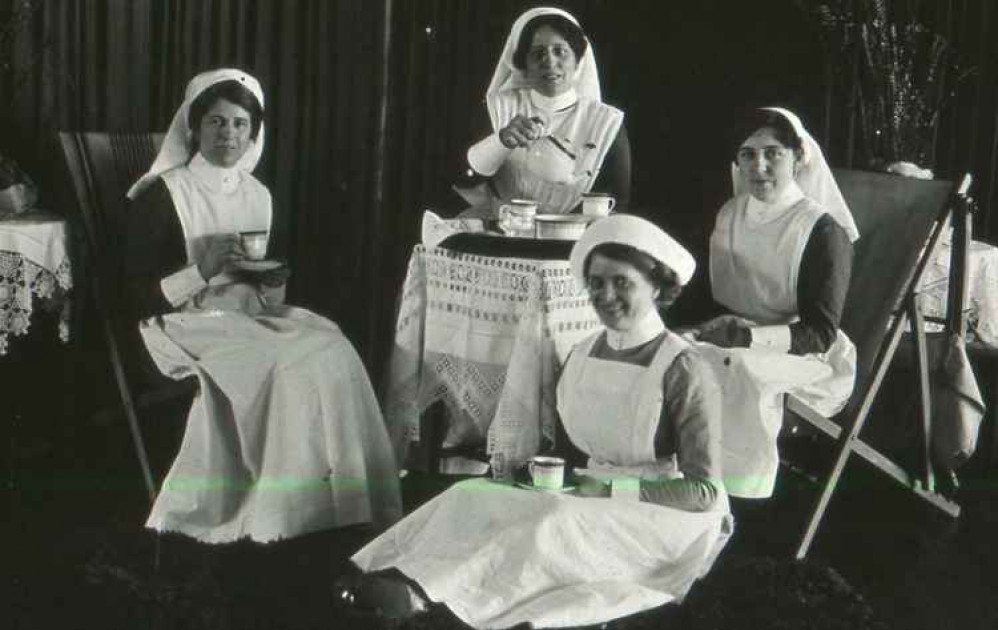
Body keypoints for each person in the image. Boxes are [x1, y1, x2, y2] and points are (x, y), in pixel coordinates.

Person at [344, 215, 732, 629]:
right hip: (587, 490)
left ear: (657, 287)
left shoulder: (683, 367)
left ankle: (433, 601)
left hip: (659, 517)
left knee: (548, 524)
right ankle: (392, 577)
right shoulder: (582, 353)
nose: (606, 295)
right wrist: (526, 475)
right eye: (597, 283)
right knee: (471, 495)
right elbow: (568, 450)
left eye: (622, 283)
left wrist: (612, 489)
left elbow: (704, 492)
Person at [123, 68, 401, 543]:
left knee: (334, 347)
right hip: (178, 325)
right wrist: (202, 270)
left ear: (254, 132)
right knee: (288, 365)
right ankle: (280, 514)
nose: (227, 135)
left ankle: (346, 505)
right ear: (193, 127)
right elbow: (129, 295)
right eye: (215, 122)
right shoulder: (164, 193)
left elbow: (262, 290)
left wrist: (272, 283)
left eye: (239, 124)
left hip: (245, 316)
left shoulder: (258, 195)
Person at [691, 106, 859, 499]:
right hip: (731, 337)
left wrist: (749, 340)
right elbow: (710, 295)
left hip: (806, 357)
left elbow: (819, 332)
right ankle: (682, 482)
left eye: (773, 153)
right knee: (674, 356)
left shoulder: (822, 230)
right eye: (747, 154)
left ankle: (731, 492)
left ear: (799, 157)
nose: (759, 166)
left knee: (737, 371)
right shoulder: (730, 214)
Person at [456, 7, 631, 217]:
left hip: (573, 240)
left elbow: (617, 202)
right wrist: (501, 141)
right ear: (523, 65)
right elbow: (463, 178)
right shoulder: (498, 108)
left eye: (560, 51)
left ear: (577, 60)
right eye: (538, 54)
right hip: (504, 232)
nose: (549, 62)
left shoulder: (606, 122)